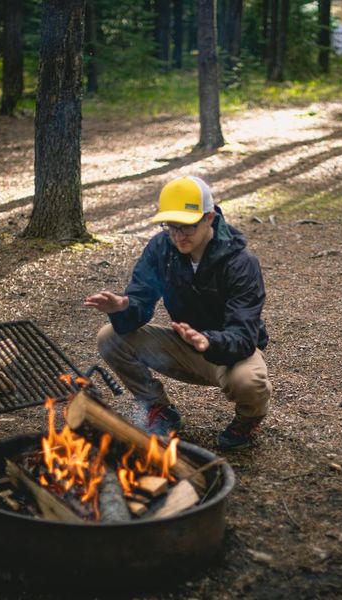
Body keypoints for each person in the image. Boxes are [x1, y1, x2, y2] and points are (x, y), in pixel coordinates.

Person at [84, 176, 272, 451]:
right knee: (110, 336)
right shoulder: (162, 248)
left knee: (249, 382)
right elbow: (141, 300)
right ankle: (158, 408)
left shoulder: (241, 262)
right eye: (171, 226)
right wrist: (124, 307)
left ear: (209, 218)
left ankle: (248, 420)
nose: (178, 235)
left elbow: (244, 336)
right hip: (182, 344)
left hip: (228, 352)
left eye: (187, 227)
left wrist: (209, 341)